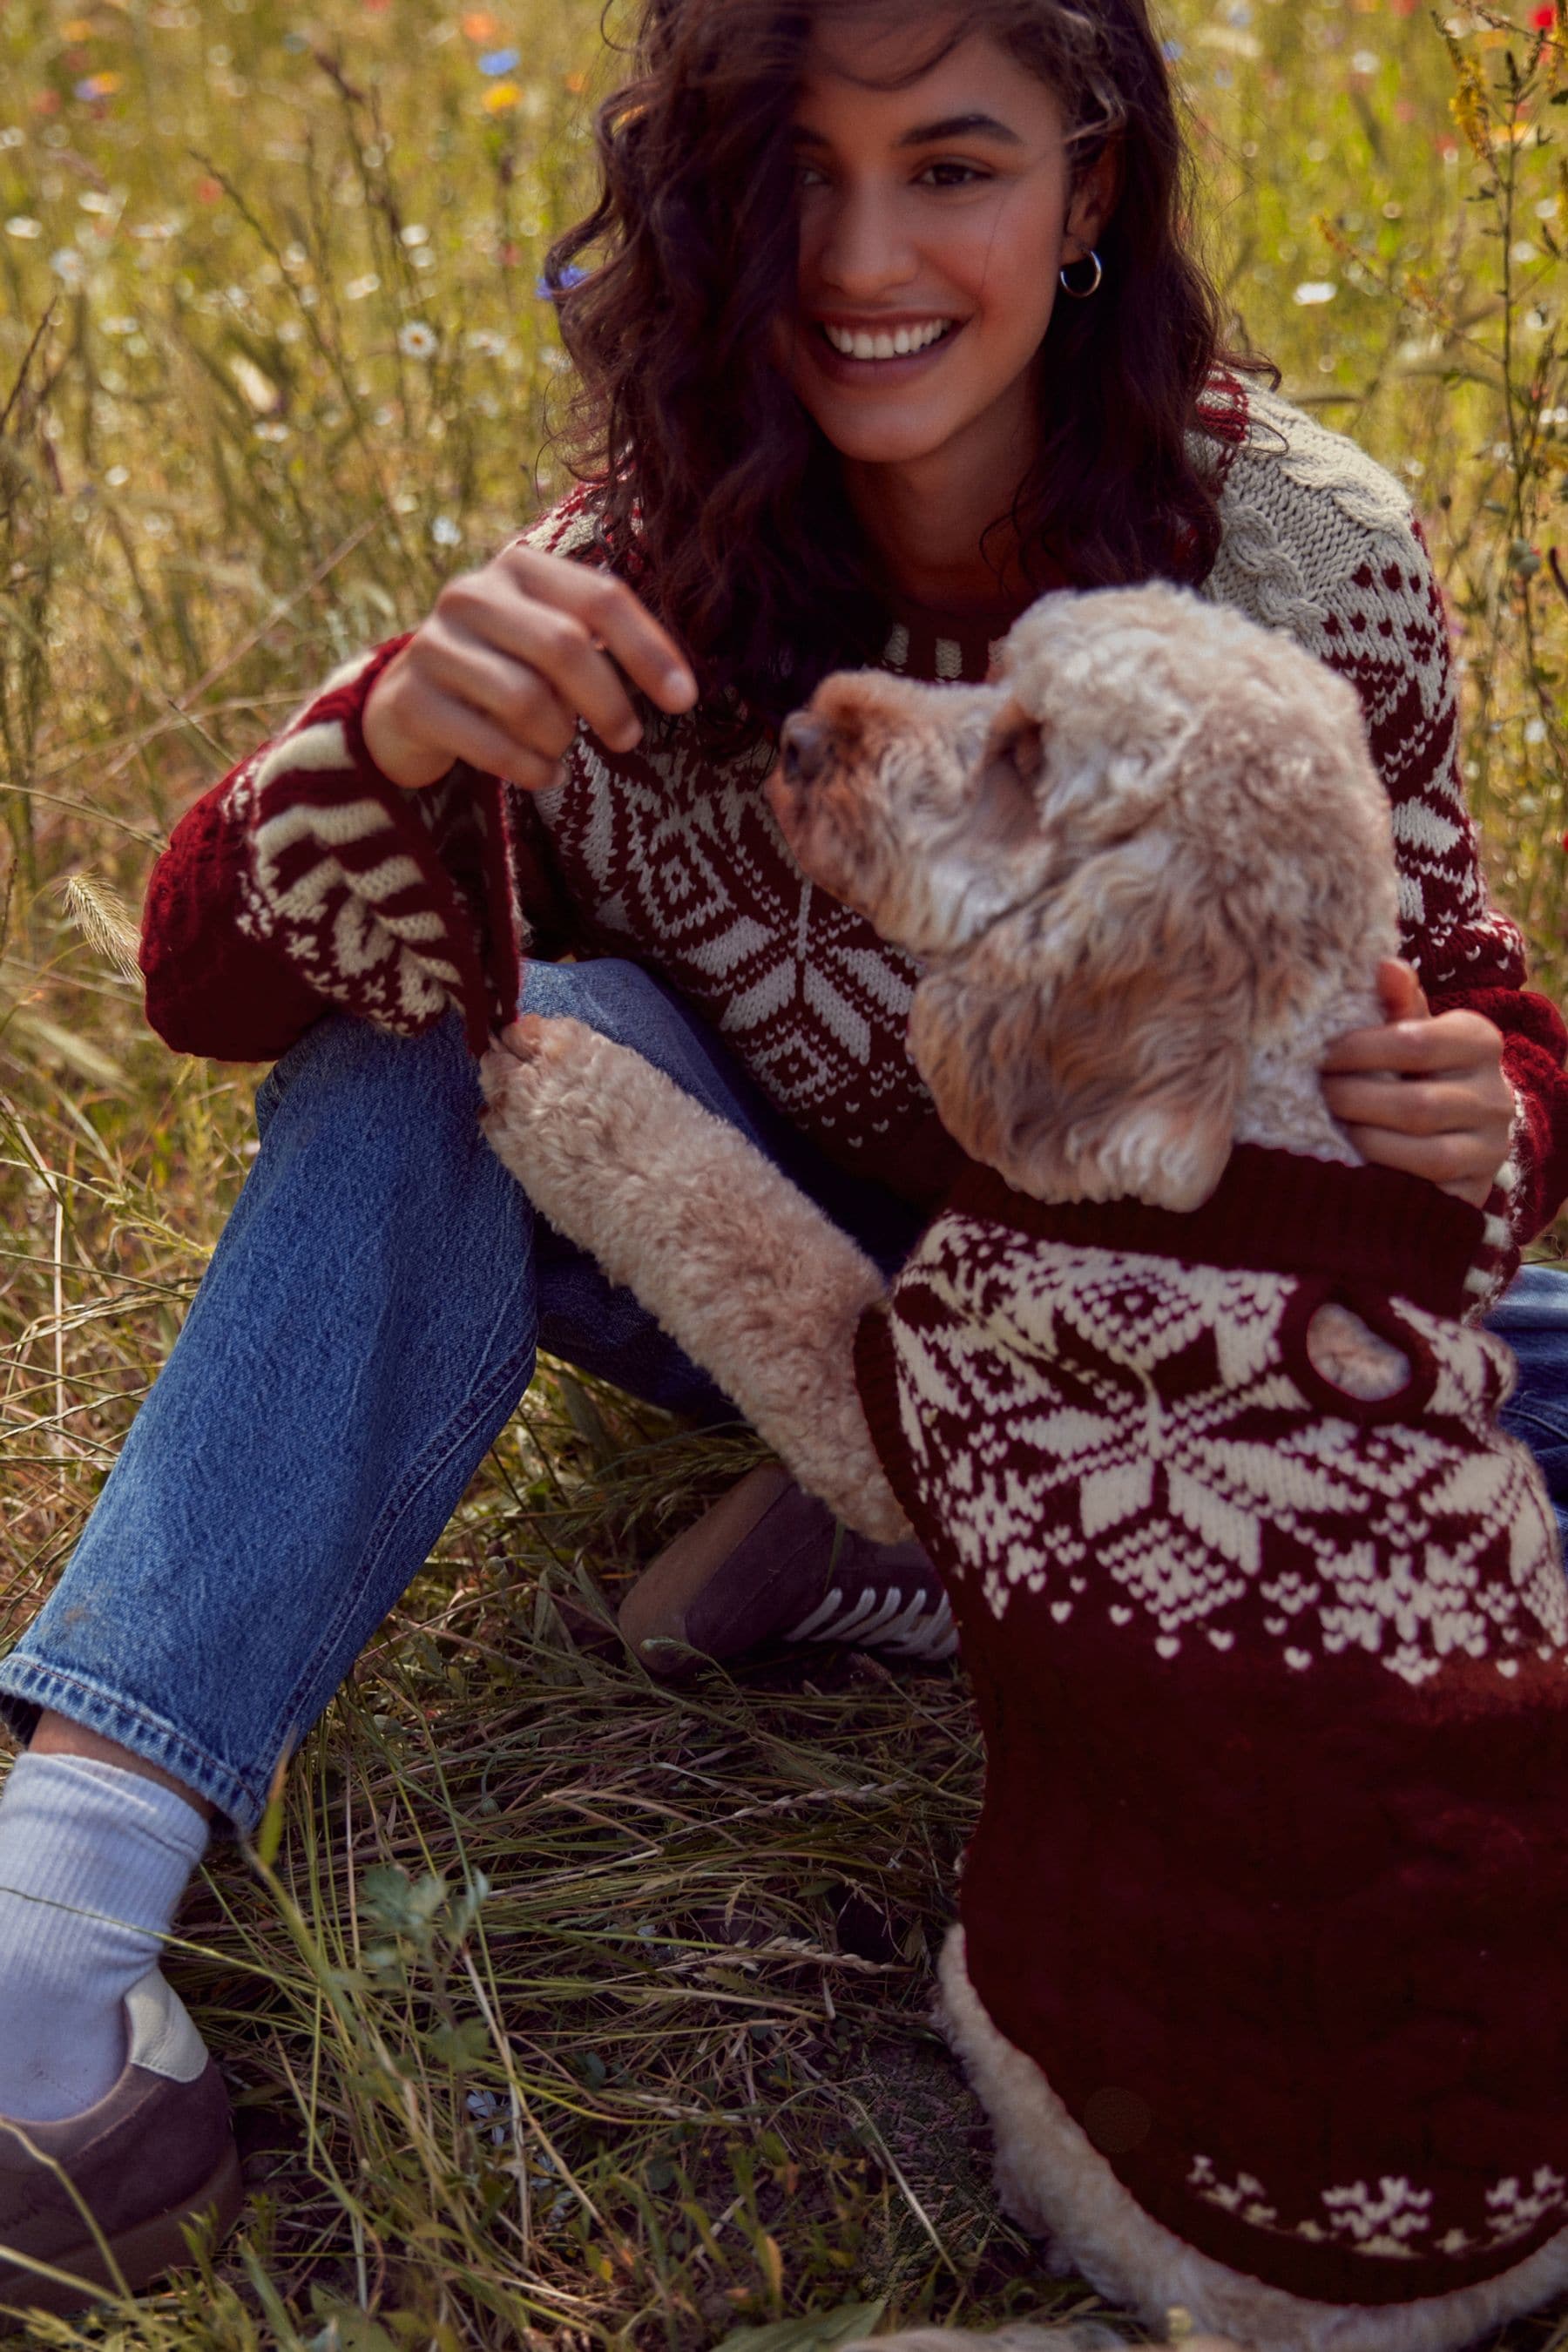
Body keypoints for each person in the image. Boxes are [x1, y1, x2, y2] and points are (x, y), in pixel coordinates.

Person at [3, 0, 1566, 2310]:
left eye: (951, 165)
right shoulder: (629, 581)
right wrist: (394, 733)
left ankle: (943, 1557)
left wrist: (1504, 1102)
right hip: (797, 1259)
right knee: (426, 1046)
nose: (862, 253)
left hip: (1241, 1334)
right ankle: (65, 1883)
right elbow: (211, 990)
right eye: (794, 176)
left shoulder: (1297, 544)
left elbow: (1461, 988)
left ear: (1091, 188)